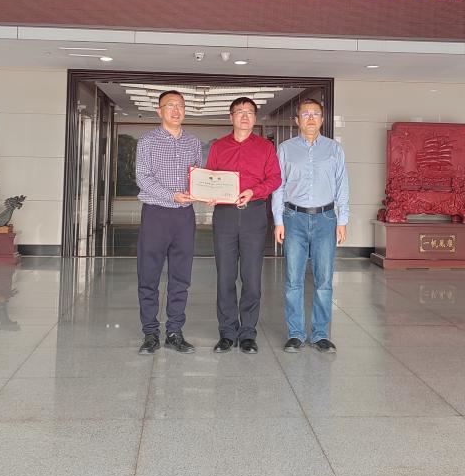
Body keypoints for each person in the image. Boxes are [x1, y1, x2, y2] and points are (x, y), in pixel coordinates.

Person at [272, 98, 350, 354]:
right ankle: (295, 333)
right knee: (293, 280)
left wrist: (343, 220)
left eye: (316, 114)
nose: (311, 118)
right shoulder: (285, 149)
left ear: (323, 119)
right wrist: (278, 221)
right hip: (293, 218)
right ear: (297, 120)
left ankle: (320, 335)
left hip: (325, 219)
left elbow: (342, 185)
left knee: (324, 281)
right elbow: (278, 187)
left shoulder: (334, 149)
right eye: (305, 114)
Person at [205, 96, 281, 354]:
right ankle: (227, 332)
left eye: (249, 112)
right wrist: (209, 194)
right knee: (225, 276)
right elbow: (210, 176)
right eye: (239, 112)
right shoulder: (218, 146)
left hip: (254, 214)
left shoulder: (265, 148)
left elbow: (275, 178)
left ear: (255, 118)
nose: (245, 116)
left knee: (251, 277)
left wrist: (254, 191)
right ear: (231, 117)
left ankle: (248, 332)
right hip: (224, 215)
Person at [135, 90, 202, 355]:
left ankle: (175, 332)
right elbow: (143, 177)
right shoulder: (147, 141)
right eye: (170, 105)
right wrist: (171, 195)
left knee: (181, 277)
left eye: (180, 106)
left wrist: (203, 191)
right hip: (156, 214)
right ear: (159, 111)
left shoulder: (193, 142)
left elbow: (198, 175)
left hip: (184, 216)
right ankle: (150, 333)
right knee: (148, 275)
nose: (176, 110)